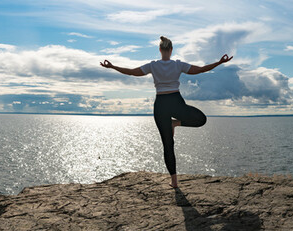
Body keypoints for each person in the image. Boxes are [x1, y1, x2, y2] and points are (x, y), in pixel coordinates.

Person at [100, 36, 233, 188]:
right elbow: (200, 70)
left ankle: (174, 180)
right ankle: (176, 127)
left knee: (168, 144)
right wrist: (219, 62)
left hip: (161, 105)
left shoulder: (153, 65)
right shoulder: (178, 65)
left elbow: (131, 72)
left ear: (159, 49)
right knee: (201, 119)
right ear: (171, 49)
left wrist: (112, 66)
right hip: (176, 102)